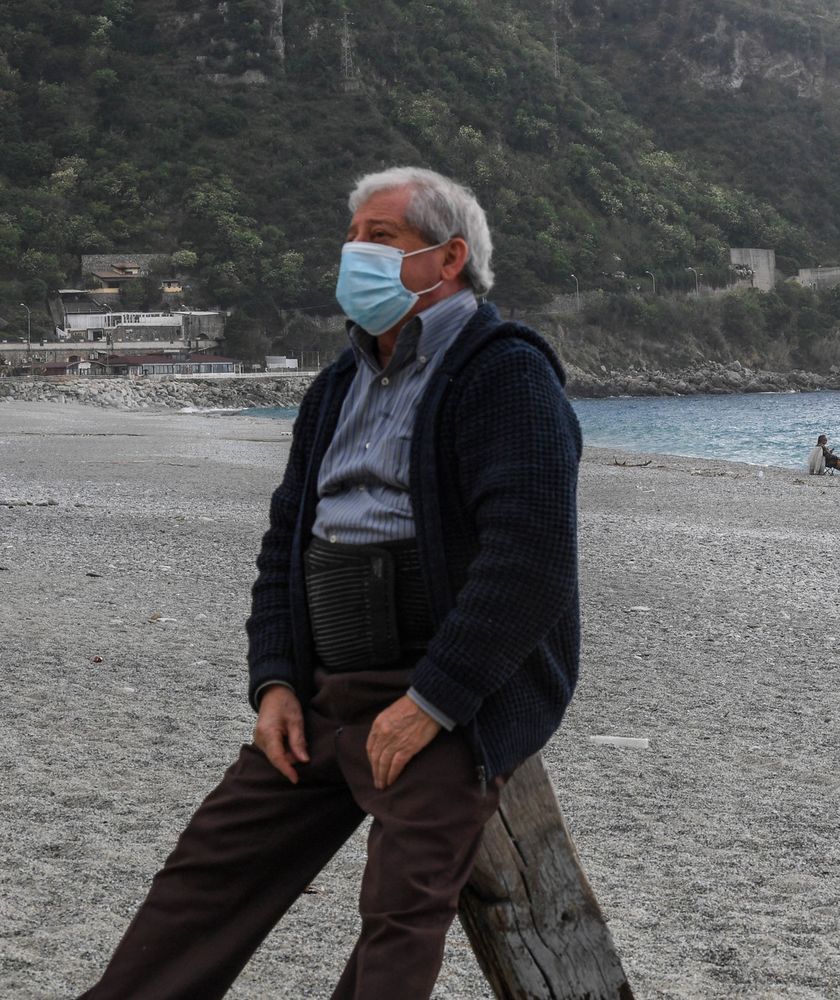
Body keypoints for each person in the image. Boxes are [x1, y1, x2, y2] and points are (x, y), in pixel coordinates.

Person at [80, 167, 583, 999]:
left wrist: (432, 703)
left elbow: (529, 562)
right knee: (204, 882)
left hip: (441, 695)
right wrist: (273, 680)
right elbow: (286, 542)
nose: (354, 253)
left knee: (398, 916)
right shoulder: (336, 385)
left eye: (379, 238)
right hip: (322, 687)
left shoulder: (504, 374)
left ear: (448, 257)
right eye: (351, 238)